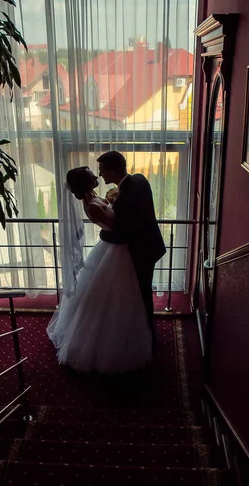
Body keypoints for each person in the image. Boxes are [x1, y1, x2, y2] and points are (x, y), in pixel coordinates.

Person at [47, 166, 152, 374]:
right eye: (91, 175)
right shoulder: (91, 205)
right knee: (115, 295)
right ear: (85, 183)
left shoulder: (92, 196)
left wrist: (115, 201)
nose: (96, 176)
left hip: (113, 247)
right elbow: (117, 224)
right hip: (115, 249)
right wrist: (122, 205)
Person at [97, 151, 166, 338]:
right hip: (152, 245)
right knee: (143, 292)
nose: (100, 174)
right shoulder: (140, 180)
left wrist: (102, 233)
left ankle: (147, 334)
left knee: (142, 293)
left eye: (102, 170)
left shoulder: (124, 200)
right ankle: (146, 328)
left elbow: (121, 236)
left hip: (141, 252)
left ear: (112, 171)